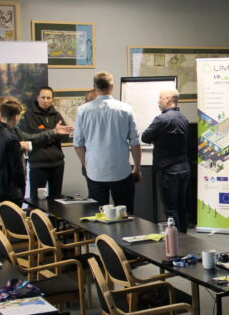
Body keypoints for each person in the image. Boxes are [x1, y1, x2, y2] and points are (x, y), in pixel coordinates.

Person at [73, 71, 141, 214]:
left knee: (98, 216)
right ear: (112, 86)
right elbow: (134, 143)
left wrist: (87, 164)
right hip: (121, 171)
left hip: (95, 171)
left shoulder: (82, 111)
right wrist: (137, 168)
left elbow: (78, 144)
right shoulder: (126, 109)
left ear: (94, 87)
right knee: (125, 215)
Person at [0, 95, 72, 192]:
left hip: (8, 183)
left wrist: (53, 132)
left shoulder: (9, 128)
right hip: (2, 185)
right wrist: (18, 146)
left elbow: (30, 138)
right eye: (9, 107)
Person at [141, 88, 190, 232]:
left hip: (167, 171)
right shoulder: (183, 118)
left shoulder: (162, 119)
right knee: (181, 207)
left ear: (168, 99)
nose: (158, 101)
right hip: (184, 169)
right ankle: (184, 239)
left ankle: (175, 241)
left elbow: (145, 137)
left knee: (170, 210)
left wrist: (156, 139)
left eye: (160, 98)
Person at [20, 86, 68, 200]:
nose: (46, 100)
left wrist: (44, 134)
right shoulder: (29, 115)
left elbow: (65, 136)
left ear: (52, 99)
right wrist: (53, 132)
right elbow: (31, 138)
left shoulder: (56, 115)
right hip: (38, 163)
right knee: (36, 199)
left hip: (57, 163)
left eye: (48, 98)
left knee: (56, 198)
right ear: (37, 98)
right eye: (43, 97)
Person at [0, 100, 26, 205]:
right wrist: (21, 191)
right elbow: (17, 170)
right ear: (16, 117)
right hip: (9, 192)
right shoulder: (11, 139)